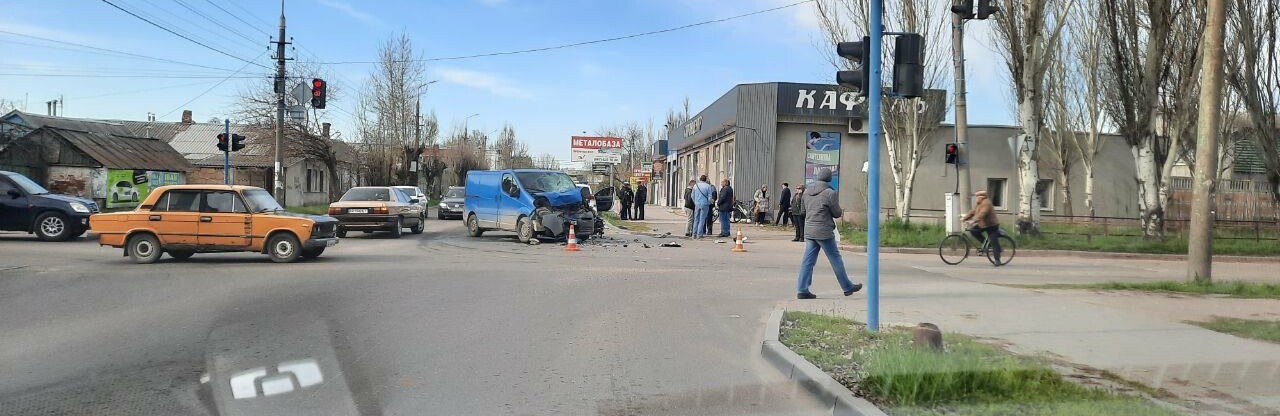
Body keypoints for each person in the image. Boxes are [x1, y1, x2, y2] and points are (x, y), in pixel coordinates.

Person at [796, 168, 862, 299]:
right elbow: (837, 213)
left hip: (809, 231)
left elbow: (802, 211)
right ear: (829, 179)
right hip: (824, 232)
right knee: (835, 259)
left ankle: (802, 289)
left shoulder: (806, 192)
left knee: (807, 261)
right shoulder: (830, 193)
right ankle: (847, 287)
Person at [961, 190, 1003, 265]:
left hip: (991, 225)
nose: (976, 198)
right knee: (973, 231)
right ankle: (986, 244)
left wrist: (973, 221)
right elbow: (973, 211)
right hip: (983, 224)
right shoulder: (979, 203)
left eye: (977, 197)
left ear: (982, 197)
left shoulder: (987, 203)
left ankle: (997, 260)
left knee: (994, 242)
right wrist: (965, 218)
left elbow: (982, 214)